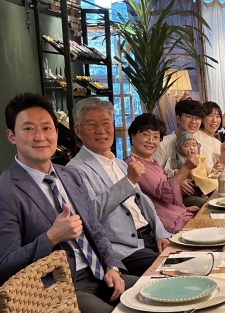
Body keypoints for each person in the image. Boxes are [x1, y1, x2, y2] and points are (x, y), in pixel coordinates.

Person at [0, 93, 137, 313]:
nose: (40, 136)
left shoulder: (70, 176)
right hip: (60, 289)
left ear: (56, 132)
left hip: (101, 275)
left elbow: (95, 230)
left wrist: (112, 266)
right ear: (12, 136)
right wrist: (51, 237)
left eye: (46, 128)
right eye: (28, 129)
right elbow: (5, 267)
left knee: (159, 295)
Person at [67, 98, 171, 277]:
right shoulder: (74, 170)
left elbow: (145, 203)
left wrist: (161, 234)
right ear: (78, 131)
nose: (101, 130)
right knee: (175, 269)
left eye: (106, 123)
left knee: (197, 258)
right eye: (92, 124)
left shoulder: (119, 163)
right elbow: (90, 213)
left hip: (150, 239)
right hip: (124, 249)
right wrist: (128, 182)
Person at [125, 114, 198, 233]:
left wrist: (183, 209)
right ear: (133, 136)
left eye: (156, 137)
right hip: (167, 224)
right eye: (145, 135)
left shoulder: (152, 162)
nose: (151, 141)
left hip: (178, 216)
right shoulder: (134, 164)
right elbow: (166, 193)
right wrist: (186, 168)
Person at [154, 99, 205, 169]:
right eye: (189, 117)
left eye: (198, 118)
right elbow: (156, 172)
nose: (193, 122)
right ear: (178, 118)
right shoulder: (162, 144)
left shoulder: (200, 144)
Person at [198, 101, 225, 168]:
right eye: (210, 115)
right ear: (202, 119)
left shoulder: (218, 142)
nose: (214, 120)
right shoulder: (196, 137)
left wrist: (223, 151)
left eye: (217, 116)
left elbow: (224, 166)